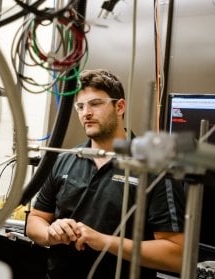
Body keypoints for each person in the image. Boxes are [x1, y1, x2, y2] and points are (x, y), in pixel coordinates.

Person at [26, 69, 185, 278]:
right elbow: (35, 220)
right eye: (80, 106)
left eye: (95, 104)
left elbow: (176, 255)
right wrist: (51, 233)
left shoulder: (155, 167)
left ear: (119, 107)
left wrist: (103, 241)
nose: (86, 113)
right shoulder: (65, 160)